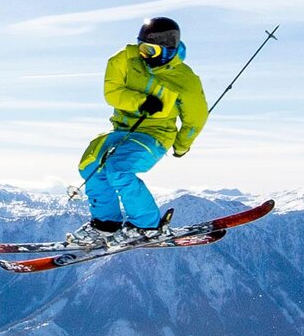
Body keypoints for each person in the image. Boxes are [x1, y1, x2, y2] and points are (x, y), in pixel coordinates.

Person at [68, 17, 209, 246]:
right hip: (123, 129)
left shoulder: (185, 79)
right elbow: (111, 92)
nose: (145, 56)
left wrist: (182, 145)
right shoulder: (125, 59)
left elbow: (196, 117)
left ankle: (148, 226)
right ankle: (106, 225)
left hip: (156, 134)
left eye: (151, 50)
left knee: (118, 169)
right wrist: (140, 101)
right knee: (90, 164)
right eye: (142, 48)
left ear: (169, 49)